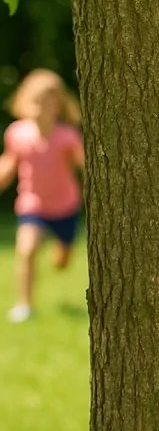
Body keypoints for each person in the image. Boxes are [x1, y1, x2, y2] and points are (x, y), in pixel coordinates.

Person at [0, 69, 85, 323]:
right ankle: (25, 305)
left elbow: (83, 164)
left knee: (62, 261)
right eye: (36, 101)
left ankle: (61, 250)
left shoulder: (67, 136)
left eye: (49, 102)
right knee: (26, 249)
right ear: (24, 102)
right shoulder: (17, 133)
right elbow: (9, 163)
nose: (41, 108)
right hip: (32, 205)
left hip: (65, 205)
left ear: (59, 105)